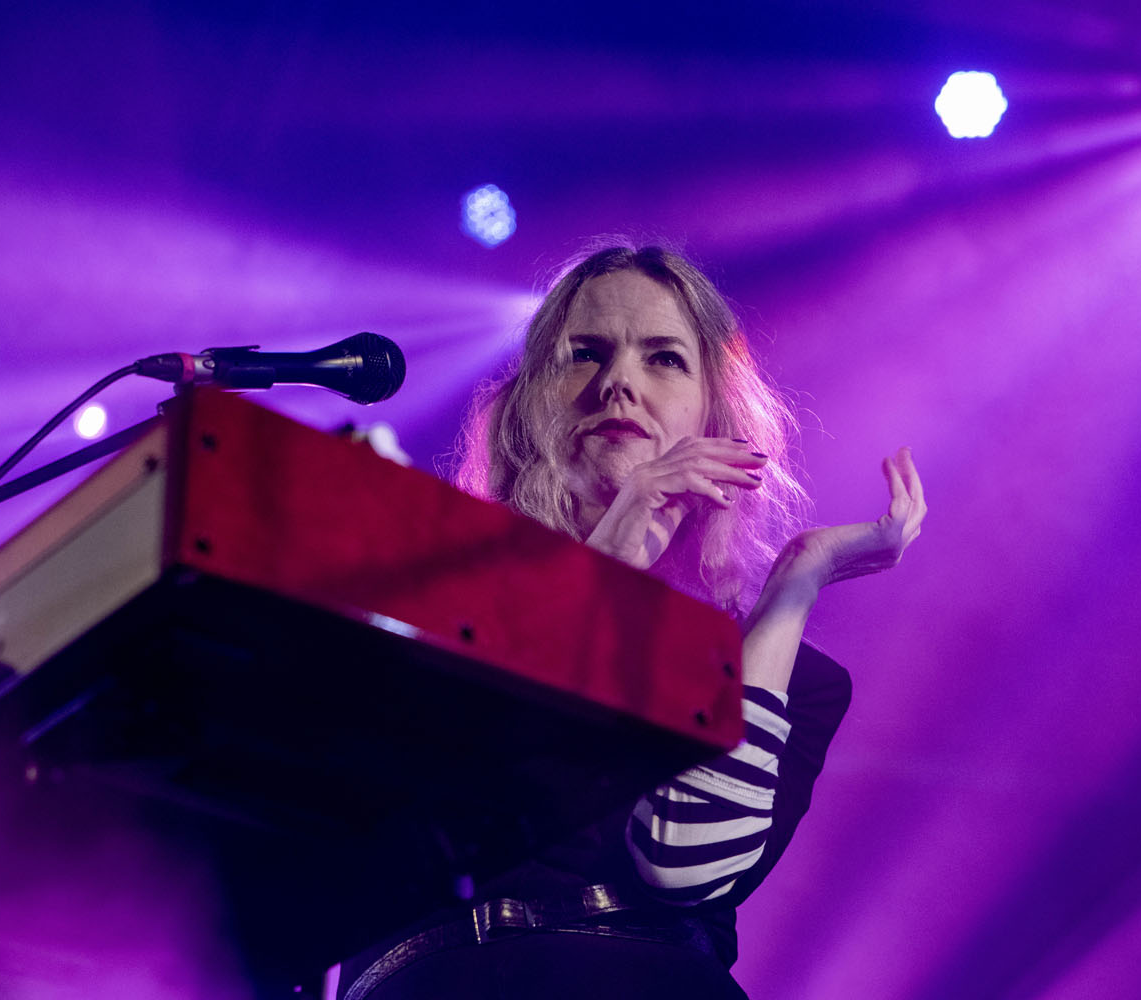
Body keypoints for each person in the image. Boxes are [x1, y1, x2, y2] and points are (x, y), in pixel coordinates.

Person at [336, 243, 925, 999]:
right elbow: (422, 793)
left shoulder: (793, 676)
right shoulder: (428, 593)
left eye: (664, 359)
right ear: (526, 407)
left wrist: (797, 579)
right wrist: (607, 566)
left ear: (716, 413)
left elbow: (685, 864)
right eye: (584, 353)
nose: (618, 383)